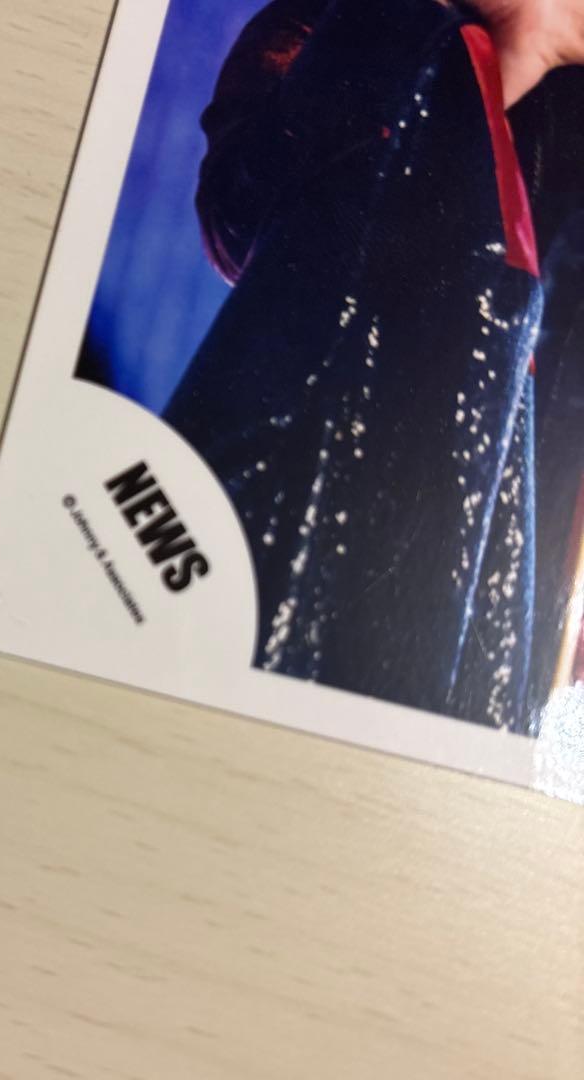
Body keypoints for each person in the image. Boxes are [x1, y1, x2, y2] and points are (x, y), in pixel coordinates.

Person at [163, 0, 584, 731]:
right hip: (358, 546)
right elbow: (240, 213)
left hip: (523, 620)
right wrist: (509, 47)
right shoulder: (356, 23)